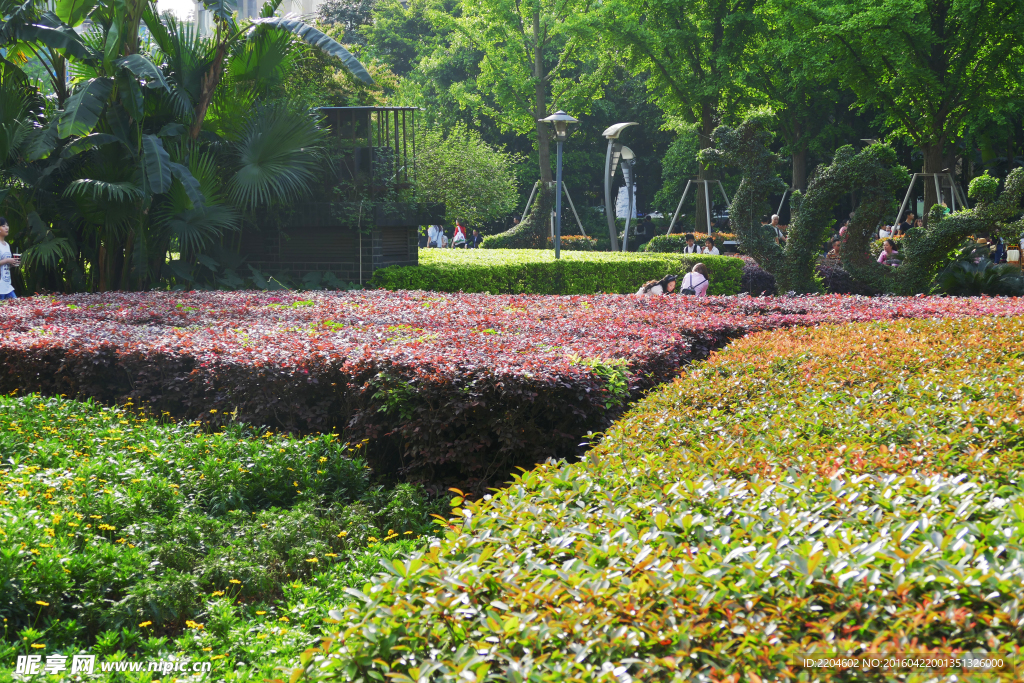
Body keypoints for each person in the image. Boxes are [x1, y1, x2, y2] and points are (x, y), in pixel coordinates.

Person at [0, 217, 19, 300]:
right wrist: (7, 260)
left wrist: (12, 263)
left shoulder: (7, 245)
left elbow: (5, 265)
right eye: (3, 226)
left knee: (16, 306)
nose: (6, 228)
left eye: (7, 225)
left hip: (7, 284)